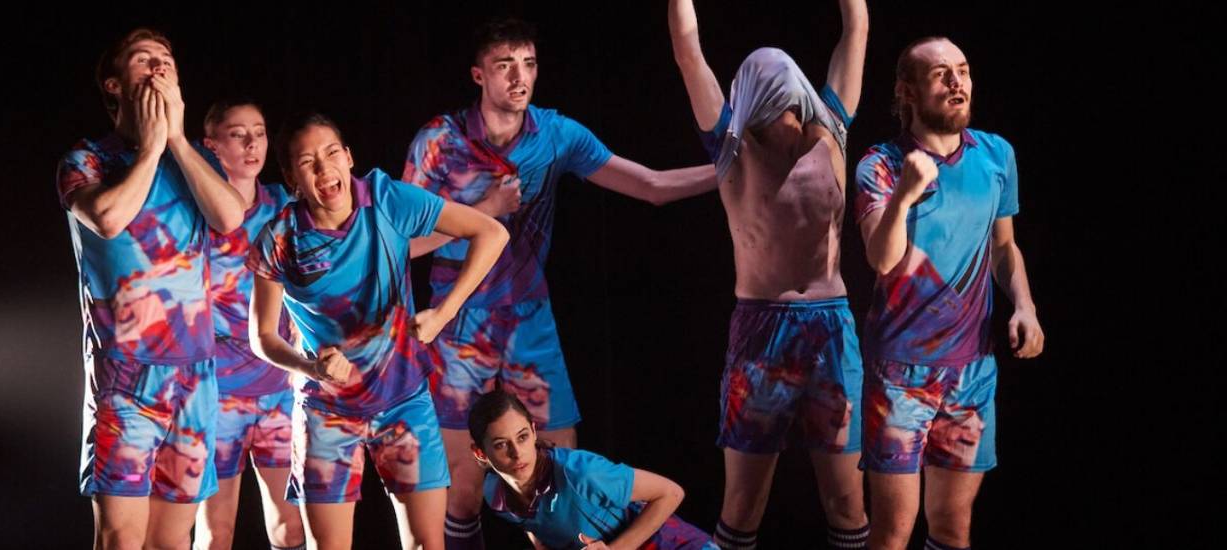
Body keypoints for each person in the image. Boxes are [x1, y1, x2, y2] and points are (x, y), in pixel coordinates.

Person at [401, 18, 717, 548]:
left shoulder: (554, 134)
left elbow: (652, 186)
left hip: (528, 319)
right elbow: (402, 244)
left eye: (528, 64)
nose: (519, 77)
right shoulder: (438, 142)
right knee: (465, 481)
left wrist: (729, 171)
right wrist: (485, 211)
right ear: (479, 75)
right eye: (504, 66)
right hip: (459, 323)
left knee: (555, 472)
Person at [248, 113, 508, 550]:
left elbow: (491, 233)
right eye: (307, 162)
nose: (324, 168)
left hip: (402, 399)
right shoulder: (279, 239)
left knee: (428, 544)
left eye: (332, 153)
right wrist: (310, 366)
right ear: (292, 177)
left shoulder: (387, 199)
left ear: (348, 157)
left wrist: (443, 314)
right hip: (326, 411)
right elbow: (264, 338)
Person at [667, 1, 869, 548]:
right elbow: (689, 51)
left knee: (847, 500)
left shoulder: (831, 129)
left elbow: (857, 24)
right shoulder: (732, 146)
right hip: (762, 331)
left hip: (830, 326)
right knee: (744, 502)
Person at [854, 36, 1044, 550]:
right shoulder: (881, 165)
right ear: (907, 90)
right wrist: (905, 195)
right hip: (899, 374)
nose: (957, 83)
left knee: (953, 527)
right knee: (893, 532)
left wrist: (1024, 305)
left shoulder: (996, 154)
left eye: (962, 70)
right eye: (941, 74)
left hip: (972, 372)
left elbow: (1004, 248)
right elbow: (882, 258)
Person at [57, 28, 244, 550]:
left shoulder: (195, 161)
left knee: (174, 537)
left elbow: (230, 217)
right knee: (121, 536)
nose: (160, 69)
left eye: (168, 62)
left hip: (195, 374)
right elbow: (109, 218)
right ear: (116, 85)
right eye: (145, 62)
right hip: (126, 374)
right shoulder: (87, 159)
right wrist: (151, 148)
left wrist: (178, 142)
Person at [193, 99, 305, 550]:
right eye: (237, 134)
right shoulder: (195, 213)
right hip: (217, 395)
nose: (251, 143)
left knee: (291, 527)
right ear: (211, 145)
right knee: (217, 532)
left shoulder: (284, 204)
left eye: (258, 132)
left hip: (279, 388)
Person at [469, 390, 715, 550]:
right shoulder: (495, 495)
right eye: (501, 445)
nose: (517, 452)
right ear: (480, 453)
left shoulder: (579, 472)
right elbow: (536, 526)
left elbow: (671, 493)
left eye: (522, 437)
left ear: (534, 431)